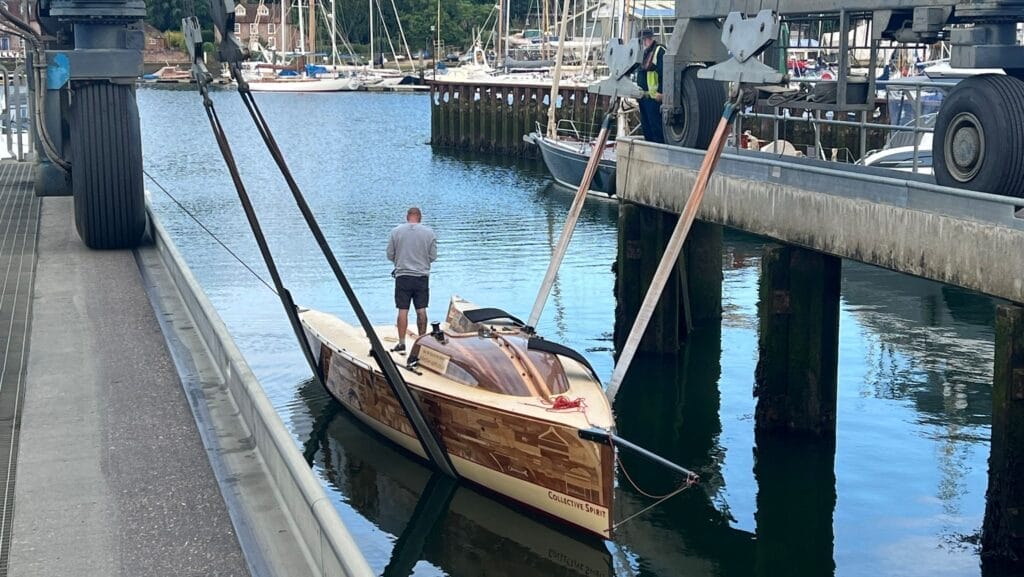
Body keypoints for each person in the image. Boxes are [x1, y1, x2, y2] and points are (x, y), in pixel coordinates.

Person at [386, 207, 437, 353]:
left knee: (403, 310)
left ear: (407, 216)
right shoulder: (429, 233)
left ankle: (402, 344)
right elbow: (433, 257)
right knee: (421, 310)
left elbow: (390, 254)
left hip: (403, 277)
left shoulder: (396, 232)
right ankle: (422, 343)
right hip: (421, 277)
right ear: (420, 217)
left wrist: (400, 260)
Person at [636, 28, 665, 144]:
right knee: (647, 128)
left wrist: (661, 91)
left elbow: (664, 73)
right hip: (643, 97)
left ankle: (660, 149)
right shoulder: (644, 53)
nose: (642, 43)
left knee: (656, 128)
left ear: (648, 39)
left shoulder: (659, 51)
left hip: (654, 98)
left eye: (643, 40)